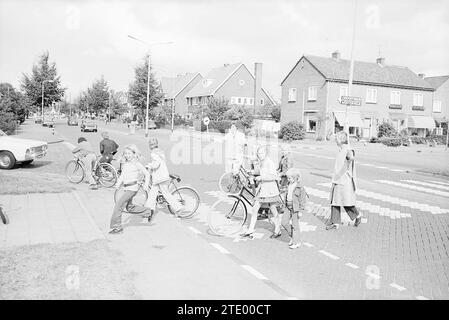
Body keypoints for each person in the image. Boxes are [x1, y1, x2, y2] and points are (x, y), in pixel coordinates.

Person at [109, 144, 151, 235]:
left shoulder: (137, 164)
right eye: (125, 154)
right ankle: (148, 212)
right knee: (129, 208)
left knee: (118, 206)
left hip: (132, 189)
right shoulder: (126, 164)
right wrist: (118, 184)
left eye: (129, 153)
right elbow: (123, 175)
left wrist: (146, 185)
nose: (127, 155)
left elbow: (147, 174)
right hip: (126, 187)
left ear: (134, 153)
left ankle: (117, 227)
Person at [241, 146, 282, 238]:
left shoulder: (269, 163)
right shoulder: (262, 161)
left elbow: (273, 176)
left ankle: (278, 228)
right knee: (255, 209)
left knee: (273, 208)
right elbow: (261, 170)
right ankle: (250, 230)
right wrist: (252, 171)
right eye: (259, 153)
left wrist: (261, 177)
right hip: (263, 189)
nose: (260, 155)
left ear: (266, 153)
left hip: (270, 190)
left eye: (262, 153)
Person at [326, 131, 362, 230]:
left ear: (341, 140)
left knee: (347, 202)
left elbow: (350, 156)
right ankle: (335, 222)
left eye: (337, 139)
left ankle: (357, 216)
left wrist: (351, 157)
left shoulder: (347, 150)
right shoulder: (341, 149)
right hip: (338, 180)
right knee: (335, 201)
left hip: (345, 181)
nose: (335, 140)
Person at [144, 138, 183, 215]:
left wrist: (149, 166)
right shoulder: (160, 152)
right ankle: (148, 210)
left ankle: (179, 208)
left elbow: (156, 163)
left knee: (166, 194)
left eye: (151, 144)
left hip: (160, 177)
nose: (150, 146)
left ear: (152, 145)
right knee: (152, 194)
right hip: (160, 177)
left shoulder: (153, 153)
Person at [281, 168, 307, 249]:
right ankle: (293, 236)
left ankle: (296, 242)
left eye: (290, 178)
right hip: (288, 207)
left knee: (295, 226)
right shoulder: (289, 185)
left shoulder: (300, 187)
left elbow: (303, 200)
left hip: (295, 209)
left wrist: (301, 211)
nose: (288, 179)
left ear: (295, 178)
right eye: (288, 178)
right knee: (284, 222)